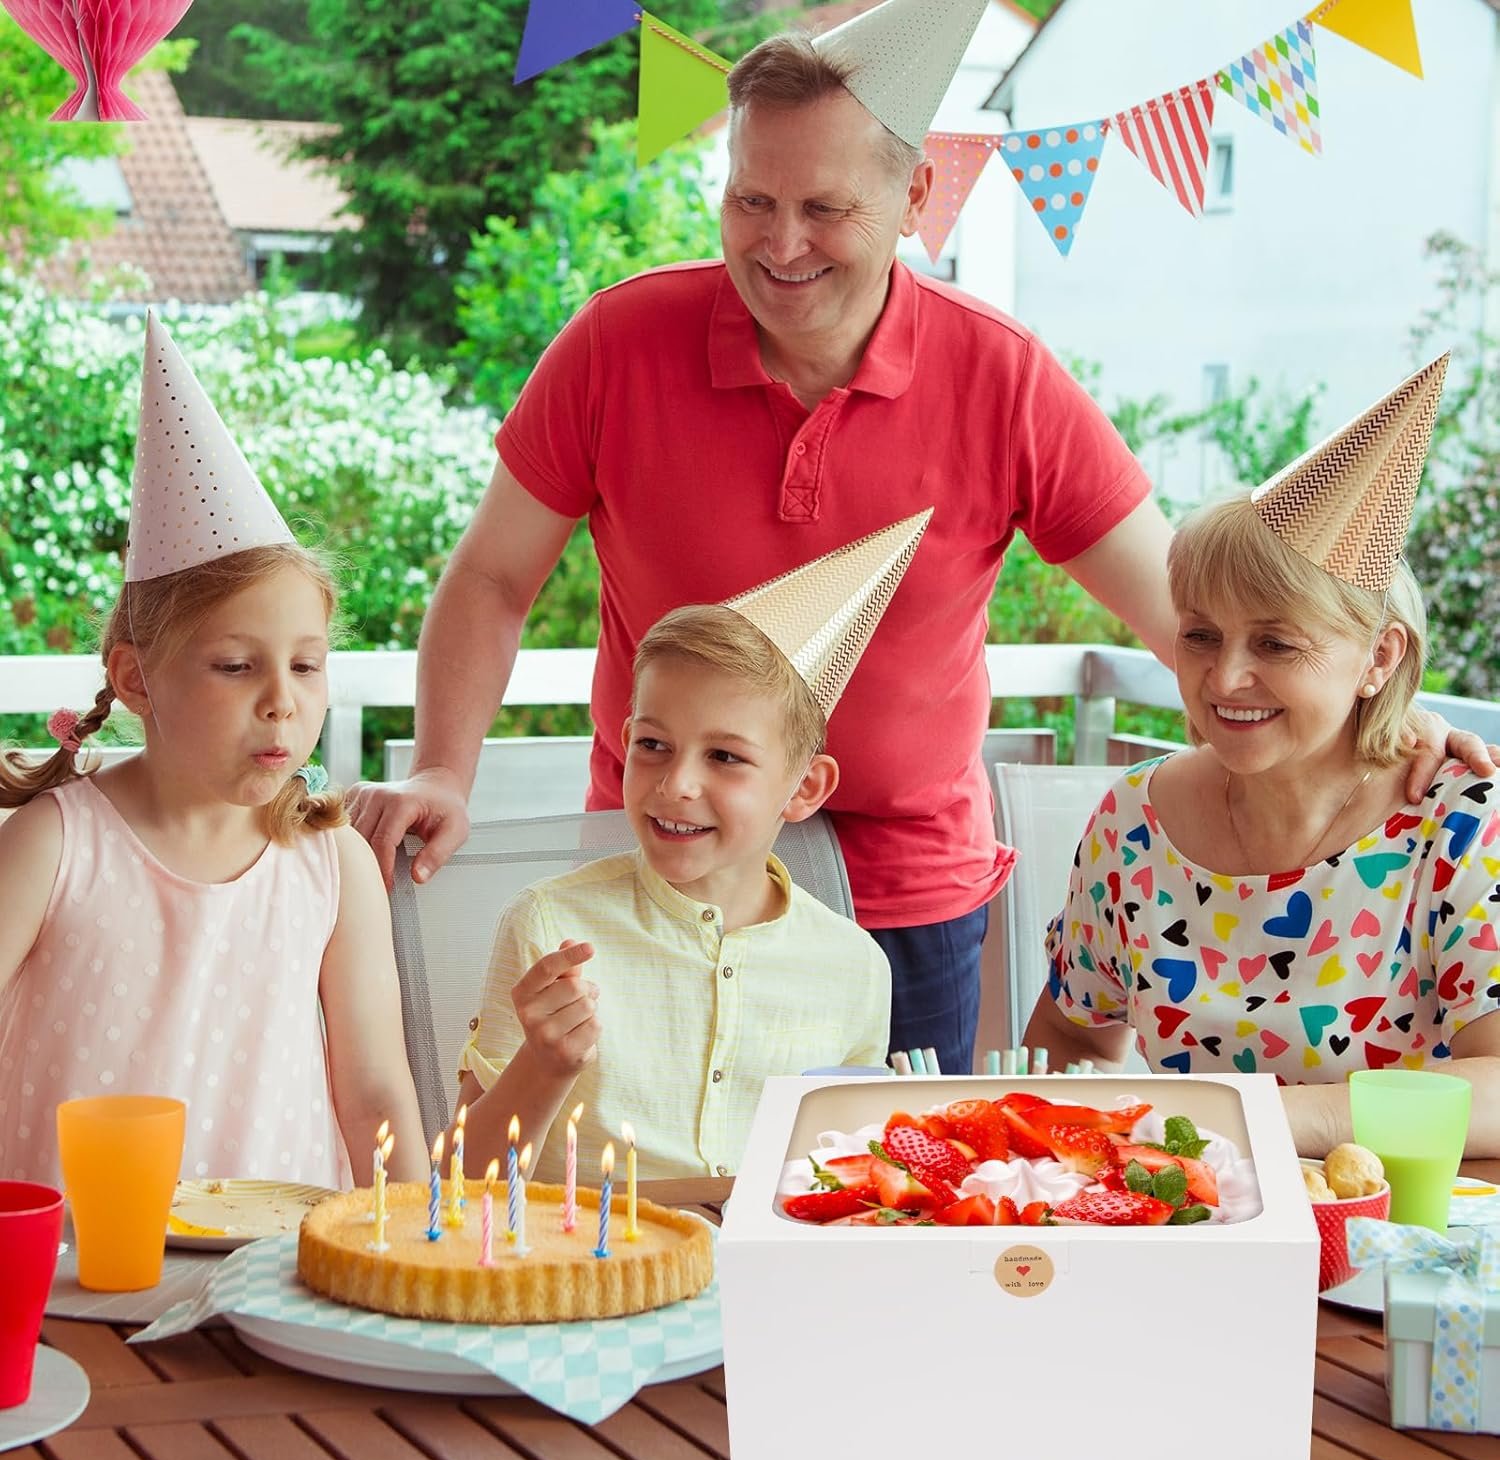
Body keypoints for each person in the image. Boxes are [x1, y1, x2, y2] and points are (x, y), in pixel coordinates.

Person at [348, 0, 1492, 1076]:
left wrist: (1380, 725)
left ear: (917, 197)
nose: (781, 242)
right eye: (752, 199)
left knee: (894, 1212)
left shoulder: (1004, 375)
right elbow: (494, 579)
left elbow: (1187, 613)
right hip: (669, 858)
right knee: (647, 1186)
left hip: (910, 897)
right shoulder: (615, 343)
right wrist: (447, 765)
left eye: (825, 208)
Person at [1025, 354, 1500, 1157]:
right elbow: (1066, 1045)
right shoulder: (1133, 823)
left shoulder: (1457, 821)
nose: (1226, 677)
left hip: (1390, 1248)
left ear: (1379, 659)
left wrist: (1279, 1122)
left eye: (1276, 642)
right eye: (1200, 635)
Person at [0, 314, 427, 1189]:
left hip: (275, 1280)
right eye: (236, 666)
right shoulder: (53, 845)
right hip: (76, 1282)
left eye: (307, 665)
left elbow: (376, 1090)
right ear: (137, 679)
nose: (282, 698)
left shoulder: (332, 861)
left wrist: (414, 1251)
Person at [454, 514, 923, 1180]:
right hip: (589, 1274)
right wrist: (546, 1063)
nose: (675, 784)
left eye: (726, 756)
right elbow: (461, 1188)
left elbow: (845, 1187)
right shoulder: (550, 929)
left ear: (804, 787)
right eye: (653, 746)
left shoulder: (855, 969)